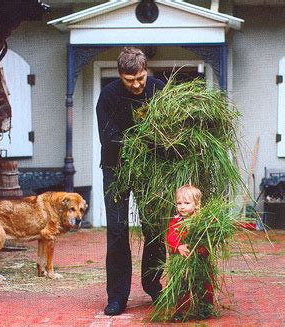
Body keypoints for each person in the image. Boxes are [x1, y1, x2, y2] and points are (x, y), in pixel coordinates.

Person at [96, 47, 166, 316]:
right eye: (130, 80)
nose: (136, 84)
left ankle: (152, 284)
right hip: (116, 169)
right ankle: (117, 296)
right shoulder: (109, 95)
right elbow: (108, 136)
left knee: (154, 226)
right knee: (116, 230)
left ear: (145, 70)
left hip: (151, 170)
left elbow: (170, 130)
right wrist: (141, 142)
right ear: (120, 75)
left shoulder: (159, 90)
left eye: (140, 78)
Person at [166, 184, 213, 316]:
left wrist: (201, 250)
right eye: (179, 203)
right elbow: (171, 236)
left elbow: (207, 238)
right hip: (182, 259)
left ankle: (205, 307)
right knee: (181, 283)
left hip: (200, 258)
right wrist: (178, 246)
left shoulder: (202, 221)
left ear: (197, 205)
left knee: (204, 283)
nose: (182, 206)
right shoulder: (176, 221)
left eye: (186, 203)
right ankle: (181, 309)